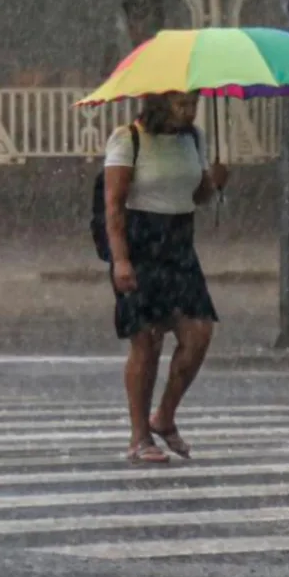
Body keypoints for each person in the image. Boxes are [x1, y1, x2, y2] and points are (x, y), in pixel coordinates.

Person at [104, 92, 228, 464]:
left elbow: (199, 195)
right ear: (158, 103)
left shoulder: (194, 138)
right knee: (147, 341)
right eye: (180, 104)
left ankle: (165, 416)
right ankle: (139, 437)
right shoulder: (129, 138)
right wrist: (121, 260)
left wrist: (216, 181)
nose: (189, 111)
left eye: (193, 104)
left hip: (179, 243)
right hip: (141, 242)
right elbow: (113, 204)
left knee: (199, 333)